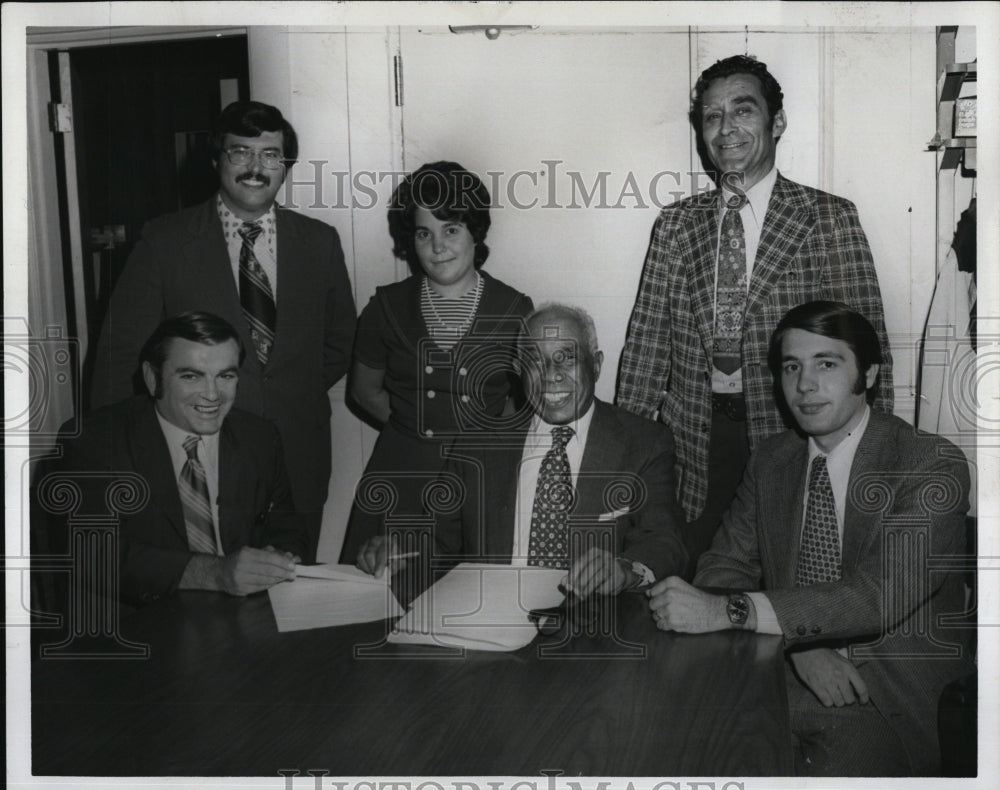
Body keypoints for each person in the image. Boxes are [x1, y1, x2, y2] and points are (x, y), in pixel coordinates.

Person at [647, 301, 972, 776]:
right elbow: (723, 566)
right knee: (666, 748)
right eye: (791, 367)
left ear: (869, 374)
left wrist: (731, 611)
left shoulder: (930, 464)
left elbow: (875, 598)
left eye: (827, 364)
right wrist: (801, 646)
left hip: (879, 698)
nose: (805, 385)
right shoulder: (772, 459)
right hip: (775, 669)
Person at [617, 54, 894, 576]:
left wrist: (869, 466)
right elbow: (646, 352)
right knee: (698, 584)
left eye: (743, 110)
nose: (726, 128)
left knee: (789, 586)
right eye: (712, 116)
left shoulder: (828, 219)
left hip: (795, 436)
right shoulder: (676, 225)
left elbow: (867, 351)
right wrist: (620, 463)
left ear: (777, 122)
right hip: (694, 448)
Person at [89, 100, 356, 561]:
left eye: (270, 155)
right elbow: (122, 354)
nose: (255, 167)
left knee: (289, 583)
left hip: (298, 452)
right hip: (196, 454)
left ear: (286, 166)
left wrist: (288, 392)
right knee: (200, 587)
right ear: (216, 160)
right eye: (240, 152)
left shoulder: (320, 241)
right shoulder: (165, 240)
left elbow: (339, 342)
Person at [358, 304, 687, 597]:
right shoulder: (477, 444)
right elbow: (439, 539)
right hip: (491, 617)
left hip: (592, 624)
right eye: (535, 362)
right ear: (518, 371)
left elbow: (664, 541)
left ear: (596, 365)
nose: (551, 375)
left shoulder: (643, 443)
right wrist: (398, 549)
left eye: (567, 358)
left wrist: (625, 570)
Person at [340, 161, 533, 563]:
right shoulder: (386, 307)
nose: (437, 246)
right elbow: (363, 391)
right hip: (400, 477)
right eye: (424, 233)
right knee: (383, 588)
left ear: (475, 232)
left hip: (479, 479)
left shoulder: (514, 309)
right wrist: (416, 427)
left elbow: (523, 403)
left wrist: (482, 442)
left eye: (451, 230)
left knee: (468, 588)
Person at [48, 312, 305, 605]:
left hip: (244, 611)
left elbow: (288, 527)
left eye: (225, 376)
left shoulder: (259, 438)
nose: (213, 395)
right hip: (144, 617)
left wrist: (276, 557)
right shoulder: (95, 441)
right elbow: (91, 552)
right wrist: (214, 573)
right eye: (191, 376)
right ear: (152, 378)